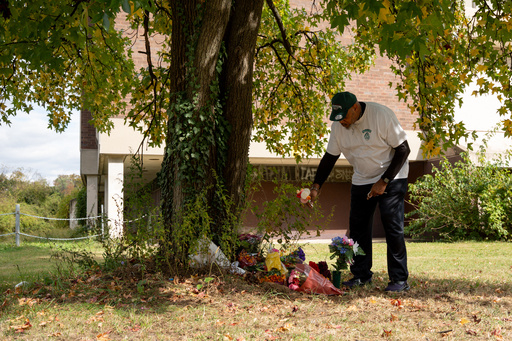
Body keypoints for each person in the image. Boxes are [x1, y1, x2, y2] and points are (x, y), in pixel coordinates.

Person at [310, 91, 411, 292]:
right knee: (358, 227)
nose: (342, 123)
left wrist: (384, 181)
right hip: (363, 177)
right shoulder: (338, 128)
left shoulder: (381, 115)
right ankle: (361, 275)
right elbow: (329, 158)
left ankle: (399, 280)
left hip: (392, 174)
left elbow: (404, 149)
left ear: (355, 107)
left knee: (392, 226)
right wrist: (315, 187)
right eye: (337, 119)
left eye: (345, 117)